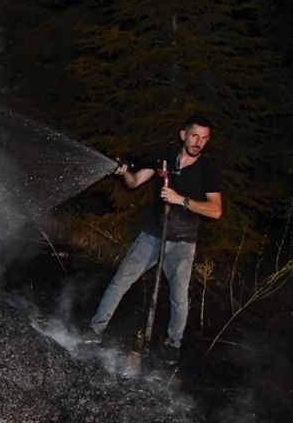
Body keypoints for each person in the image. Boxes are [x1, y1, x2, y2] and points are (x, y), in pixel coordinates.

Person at [85, 115, 223, 364]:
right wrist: (124, 173)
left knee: (179, 297)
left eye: (204, 138)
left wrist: (181, 200)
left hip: (183, 243)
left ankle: (173, 345)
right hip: (152, 236)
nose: (198, 142)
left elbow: (216, 210)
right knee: (120, 282)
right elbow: (135, 182)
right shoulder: (165, 157)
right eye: (194, 136)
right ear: (183, 134)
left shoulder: (208, 170)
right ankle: (95, 330)